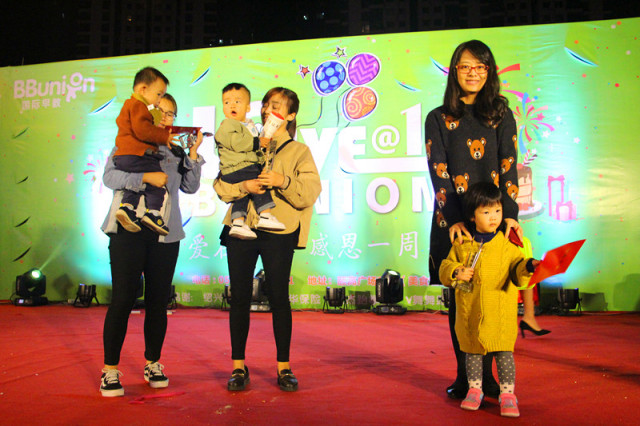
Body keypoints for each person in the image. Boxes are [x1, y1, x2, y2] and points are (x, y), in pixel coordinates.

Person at [424, 39, 548, 400]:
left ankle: (490, 379)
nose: (473, 73)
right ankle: (466, 376)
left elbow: (509, 166)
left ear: (489, 71)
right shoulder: (437, 118)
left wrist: (510, 216)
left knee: (496, 297)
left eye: (480, 66)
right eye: (465, 66)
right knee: (462, 300)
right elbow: (438, 171)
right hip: (454, 221)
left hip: (494, 220)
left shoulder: (500, 114)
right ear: (455, 71)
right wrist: (453, 220)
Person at [213, 87, 321, 392]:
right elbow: (220, 185)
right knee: (239, 297)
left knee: (279, 297)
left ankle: (284, 367)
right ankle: (238, 367)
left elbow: (310, 192)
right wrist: (244, 186)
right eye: (264, 106)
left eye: (275, 106)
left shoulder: (299, 151)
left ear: (290, 115)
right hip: (241, 228)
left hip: (279, 230)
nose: (266, 111)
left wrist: (282, 180)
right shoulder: (243, 139)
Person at [99, 93, 205, 397]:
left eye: (170, 114)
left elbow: (190, 186)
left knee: (158, 302)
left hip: (164, 233)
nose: (165, 118)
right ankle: (109, 369)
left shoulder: (176, 150)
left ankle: (153, 363)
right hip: (128, 229)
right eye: (159, 111)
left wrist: (193, 154)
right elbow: (109, 177)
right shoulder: (128, 143)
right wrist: (144, 178)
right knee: (123, 299)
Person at [439, 182, 540, 417]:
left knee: (504, 354)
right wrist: (456, 271)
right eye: (486, 212)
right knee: (473, 353)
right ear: (472, 216)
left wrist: (529, 265)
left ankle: (508, 394)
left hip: (500, 313)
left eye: (497, 211)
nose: (493, 217)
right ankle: (475, 390)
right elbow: (445, 267)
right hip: (470, 312)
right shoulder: (462, 244)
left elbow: (517, 271)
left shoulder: (508, 245)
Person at [214, 83, 285, 240]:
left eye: (237, 101)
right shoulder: (228, 124)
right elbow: (236, 143)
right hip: (238, 168)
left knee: (242, 195)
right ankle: (265, 215)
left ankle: (238, 223)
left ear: (247, 107)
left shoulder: (248, 125)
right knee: (259, 180)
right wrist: (257, 143)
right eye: (227, 102)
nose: (232, 105)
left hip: (239, 169)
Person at [112, 66, 176, 236]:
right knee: (157, 183)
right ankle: (153, 213)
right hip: (135, 154)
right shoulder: (138, 106)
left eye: (169, 114)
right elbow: (143, 130)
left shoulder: (130, 105)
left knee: (135, 185)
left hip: (127, 157)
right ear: (143, 89)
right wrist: (164, 136)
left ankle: (127, 207)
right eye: (159, 95)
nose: (159, 101)